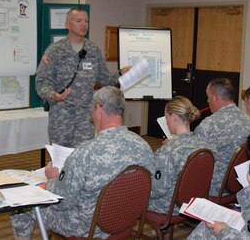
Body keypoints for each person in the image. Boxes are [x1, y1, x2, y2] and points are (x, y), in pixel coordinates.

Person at [10, 86, 153, 239]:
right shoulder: (143, 146)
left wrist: (53, 178)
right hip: (125, 221)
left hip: (85, 227)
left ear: (99, 109)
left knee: (21, 208)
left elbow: (61, 200)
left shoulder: (86, 152)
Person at [35, 7, 127, 148]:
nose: (84, 25)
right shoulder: (55, 50)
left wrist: (121, 73)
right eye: (79, 21)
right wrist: (52, 95)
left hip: (85, 118)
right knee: (61, 160)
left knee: (82, 157)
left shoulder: (93, 50)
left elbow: (105, 79)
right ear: (67, 24)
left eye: (86, 21)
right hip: (61, 117)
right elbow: (42, 82)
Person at [148, 96, 214, 214]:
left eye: (166, 117)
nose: (166, 122)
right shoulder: (206, 146)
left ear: (173, 117)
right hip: (194, 203)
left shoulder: (168, 151)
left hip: (169, 206)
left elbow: (157, 190)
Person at [194, 78, 250, 196]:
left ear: (215, 98)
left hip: (214, 188)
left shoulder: (210, 124)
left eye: (208, 96)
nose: (207, 100)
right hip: (241, 184)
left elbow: (193, 161)